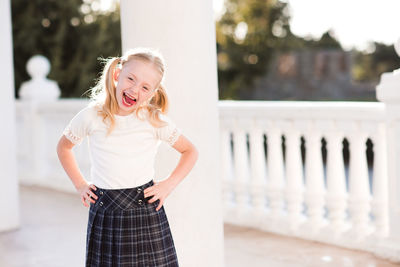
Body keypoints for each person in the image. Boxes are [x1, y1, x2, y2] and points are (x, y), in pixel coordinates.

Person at [56, 47, 199, 267]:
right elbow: (64, 148)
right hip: (104, 208)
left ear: (152, 93)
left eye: (145, 87)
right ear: (117, 75)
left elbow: (190, 151)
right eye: (130, 79)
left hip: (145, 208)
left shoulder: (153, 120)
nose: (134, 89)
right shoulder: (91, 116)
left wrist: (168, 185)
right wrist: (80, 185)